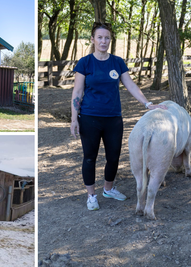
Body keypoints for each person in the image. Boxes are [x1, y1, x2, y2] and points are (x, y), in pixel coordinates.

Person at [70, 22, 167, 211]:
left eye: (107, 37)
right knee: (89, 157)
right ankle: (91, 196)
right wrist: (74, 119)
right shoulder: (85, 63)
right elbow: (77, 92)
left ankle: (108, 189)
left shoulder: (117, 62)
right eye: (99, 37)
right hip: (90, 118)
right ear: (93, 39)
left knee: (113, 157)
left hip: (113, 118)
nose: (103, 41)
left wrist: (147, 104)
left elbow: (130, 85)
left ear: (110, 40)